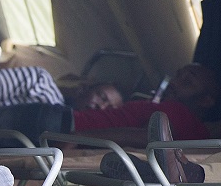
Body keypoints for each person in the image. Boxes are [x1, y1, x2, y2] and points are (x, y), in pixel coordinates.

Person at [72, 63, 220, 148]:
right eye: (177, 75)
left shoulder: (180, 112)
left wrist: (77, 137)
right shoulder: (196, 130)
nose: (173, 83)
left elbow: (150, 137)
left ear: (206, 101)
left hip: (71, 126)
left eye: (187, 82)